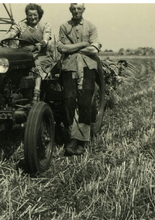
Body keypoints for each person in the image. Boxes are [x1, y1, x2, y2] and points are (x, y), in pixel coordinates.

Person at [57, 3, 104, 156]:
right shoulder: (64, 27)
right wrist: (84, 44)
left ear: (83, 10)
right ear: (70, 10)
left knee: (85, 102)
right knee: (69, 100)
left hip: (87, 67)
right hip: (69, 67)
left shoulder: (91, 27)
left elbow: (94, 49)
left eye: (79, 8)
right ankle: (72, 138)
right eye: (73, 8)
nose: (76, 11)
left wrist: (73, 47)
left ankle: (82, 140)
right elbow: (61, 48)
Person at [3, 3, 54, 104]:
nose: (32, 17)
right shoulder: (21, 25)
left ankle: (36, 93)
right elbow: (13, 32)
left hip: (40, 55)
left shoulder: (45, 25)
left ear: (39, 15)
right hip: (24, 55)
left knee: (36, 65)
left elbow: (46, 37)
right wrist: (6, 37)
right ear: (27, 15)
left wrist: (43, 42)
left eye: (35, 15)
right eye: (30, 15)